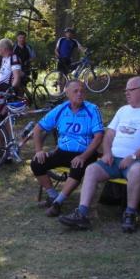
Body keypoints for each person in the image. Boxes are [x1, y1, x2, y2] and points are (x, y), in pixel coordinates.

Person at [59, 77, 140, 233]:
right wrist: (107, 152)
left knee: (136, 171)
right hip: (113, 161)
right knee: (91, 169)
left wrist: (134, 157)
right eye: (126, 90)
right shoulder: (123, 110)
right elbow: (109, 134)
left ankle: (130, 214)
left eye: (131, 90)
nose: (127, 93)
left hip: (139, 162)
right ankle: (81, 214)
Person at [30, 80, 104, 217]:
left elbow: (99, 136)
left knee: (78, 165)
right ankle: (53, 196)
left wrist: (83, 156)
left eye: (82, 91)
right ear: (67, 93)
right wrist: (39, 151)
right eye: (75, 91)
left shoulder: (92, 109)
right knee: (36, 163)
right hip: (63, 152)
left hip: (85, 153)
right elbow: (37, 129)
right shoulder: (61, 109)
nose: (80, 93)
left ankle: (58, 203)